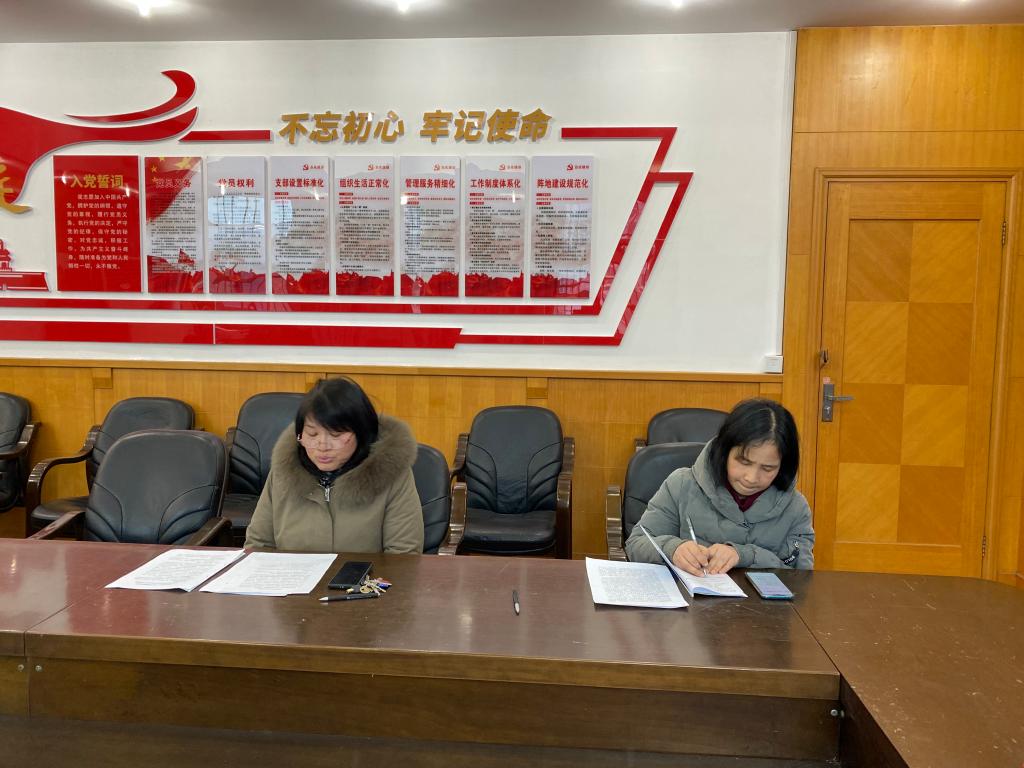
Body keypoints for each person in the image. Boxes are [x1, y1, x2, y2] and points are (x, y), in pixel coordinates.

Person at [625, 398, 814, 575]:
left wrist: (745, 555)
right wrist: (672, 549)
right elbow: (636, 544)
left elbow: (801, 577)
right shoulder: (681, 485)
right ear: (724, 451)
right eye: (744, 462)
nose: (751, 478)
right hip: (687, 598)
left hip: (759, 601)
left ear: (783, 467)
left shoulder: (795, 508)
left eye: (768, 468)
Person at [245, 377, 424, 553]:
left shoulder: (391, 474)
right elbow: (259, 544)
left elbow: (403, 555)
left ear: (362, 432)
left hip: (368, 573)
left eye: (336, 435)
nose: (323, 446)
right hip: (290, 573)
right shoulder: (285, 470)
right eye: (312, 434)